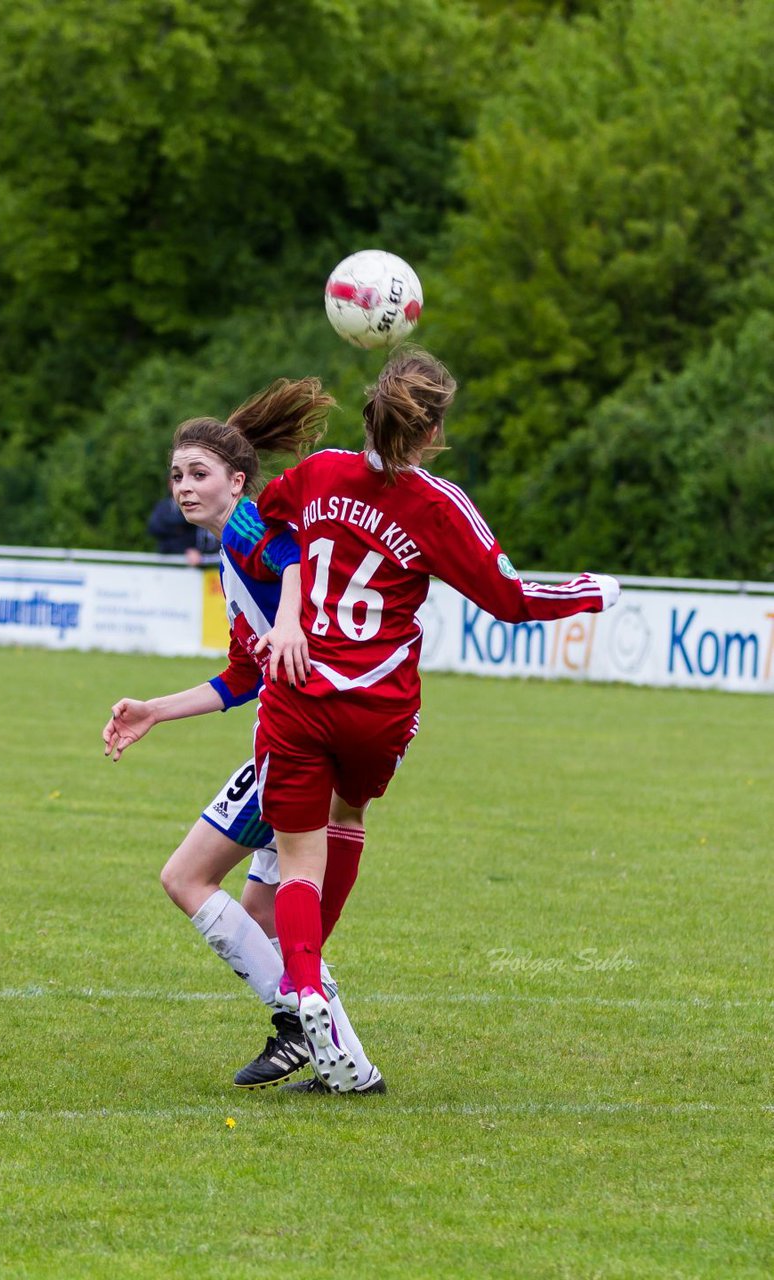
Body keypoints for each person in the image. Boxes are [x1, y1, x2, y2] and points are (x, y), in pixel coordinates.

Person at [252, 346, 622, 1093]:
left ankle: (304, 991)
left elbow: (260, 525)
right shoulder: (435, 504)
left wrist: (289, 608)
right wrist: (594, 591)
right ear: (432, 430)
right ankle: (311, 986)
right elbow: (511, 600)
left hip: (297, 692)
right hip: (377, 707)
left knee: (296, 862)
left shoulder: (318, 473)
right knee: (347, 814)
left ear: (369, 413)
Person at [102, 381, 384, 1094]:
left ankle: (299, 1024)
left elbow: (293, 554)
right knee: (261, 914)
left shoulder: (244, 528)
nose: (183, 486)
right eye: (176, 474)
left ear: (236, 480)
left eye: (198, 473)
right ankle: (344, 1062)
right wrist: (155, 711)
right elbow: (241, 674)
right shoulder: (231, 557)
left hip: (292, 742)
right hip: (291, 731)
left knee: (185, 878)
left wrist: (292, 618)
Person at [147, 478, 220, 565]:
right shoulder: (163, 505)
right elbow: (153, 527)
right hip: (170, 555)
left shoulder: (197, 505)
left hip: (197, 557)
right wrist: (176, 529)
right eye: (175, 479)